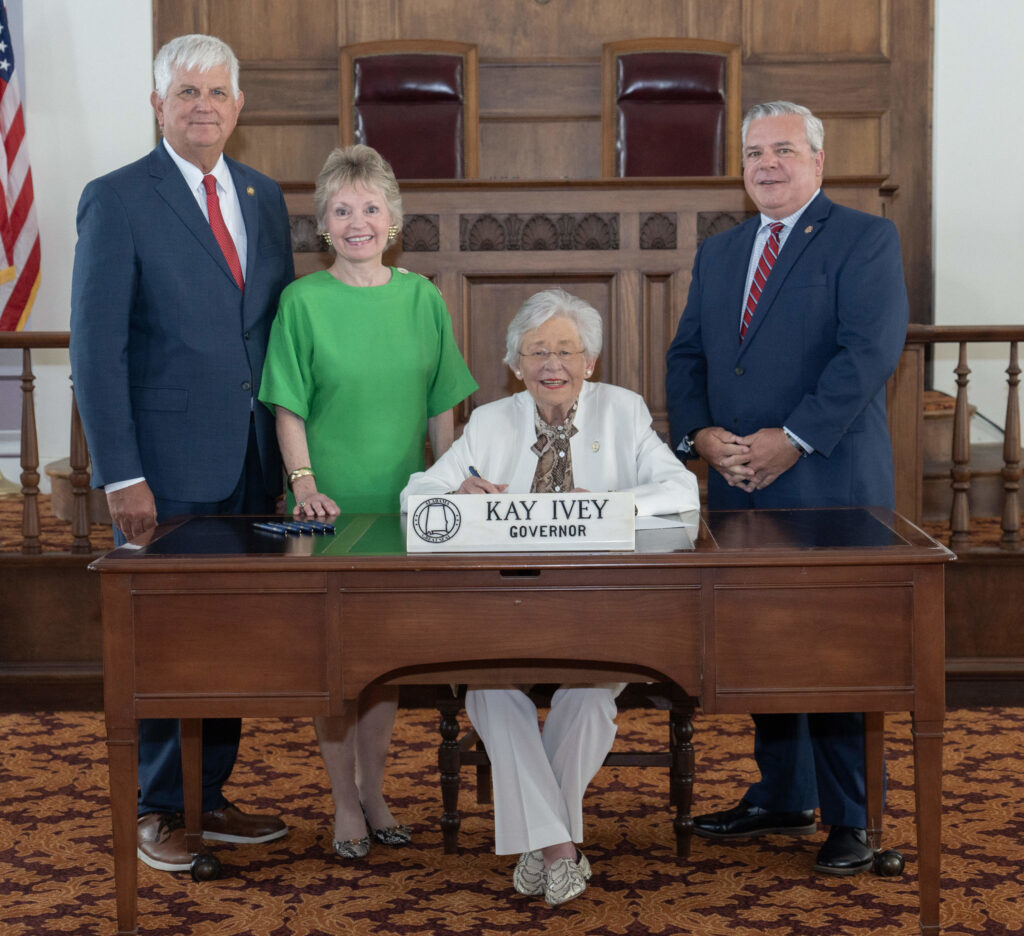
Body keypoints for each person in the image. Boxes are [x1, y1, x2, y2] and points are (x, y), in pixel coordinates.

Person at [665, 101, 909, 875]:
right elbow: (689, 356)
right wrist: (699, 436)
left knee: (835, 651)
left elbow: (866, 353)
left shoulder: (864, 238)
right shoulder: (722, 250)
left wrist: (791, 440)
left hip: (829, 481)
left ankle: (852, 819)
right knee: (764, 642)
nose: (767, 164)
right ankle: (781, 796)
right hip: (739, 483)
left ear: (818, 161)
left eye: (784, 150)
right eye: (754, 153)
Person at [69, 35, 295, 871]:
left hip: (250, 459)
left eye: (218, 92)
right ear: (158, 105)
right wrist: (121, 472)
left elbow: (273, 332)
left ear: (239, 107)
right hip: (161, 466)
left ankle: (210, 789)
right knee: (166, 637)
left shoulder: (263, 197)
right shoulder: (118, 198)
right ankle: (159, 807)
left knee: (228, 632)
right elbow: (97, 350)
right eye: (186, 91)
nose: (204, 104)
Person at [401, 288, 700, 905]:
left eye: (566, 351)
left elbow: (681, 494)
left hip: (601, 612)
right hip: (501, 615)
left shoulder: (624, 411)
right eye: (537, 351)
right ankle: (560, 846)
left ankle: (542, 840)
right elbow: (417, 498)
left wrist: (597, 511)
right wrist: (457, 497)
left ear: (590, 362)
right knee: (490, 691)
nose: (552, 365)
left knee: (590, 701)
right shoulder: (489, 422)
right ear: (516, 365)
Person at [258, 144, 478, 859]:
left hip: (404, 509)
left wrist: (447, 484)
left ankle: (377, 789)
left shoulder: (422, 298)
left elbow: (444, 408)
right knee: (336, 671)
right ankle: (344, 803)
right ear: (324, 225)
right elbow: (287, 407)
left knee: (383, 667)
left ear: (394, 219)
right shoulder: (302, 302)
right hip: (326, 511)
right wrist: (305, 486)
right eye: (343, 210)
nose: (358, 222)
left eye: (371, 208)